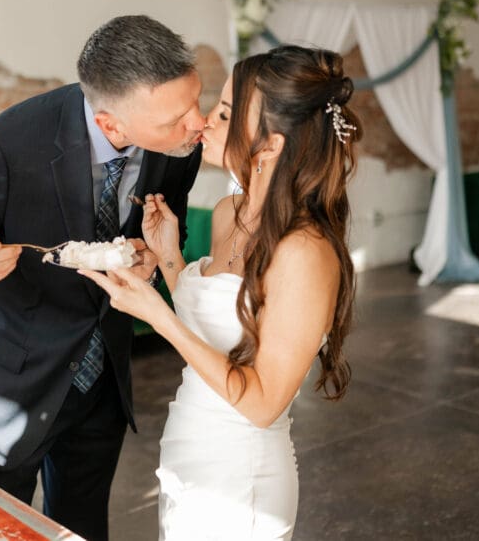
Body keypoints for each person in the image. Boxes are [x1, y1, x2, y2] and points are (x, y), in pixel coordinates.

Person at [0, 15, 204, 541]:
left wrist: (152, 262)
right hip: (14, 383)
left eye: (196, 103)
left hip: (104, 381)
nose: (197, 123)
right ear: (113, 124)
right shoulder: (9, 143)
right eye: (175, 119)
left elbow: (167, 230)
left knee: (85, 525)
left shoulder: (180, 144)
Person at [80, 45, 362, 540]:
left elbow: (261, 404)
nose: (206, 121)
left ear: (270, 146)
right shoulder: (230, 212)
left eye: (226, 113)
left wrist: (157, 317)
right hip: (189, 447)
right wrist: (170, 260)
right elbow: (214, 328)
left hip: (242, 475)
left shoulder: (305, 252)